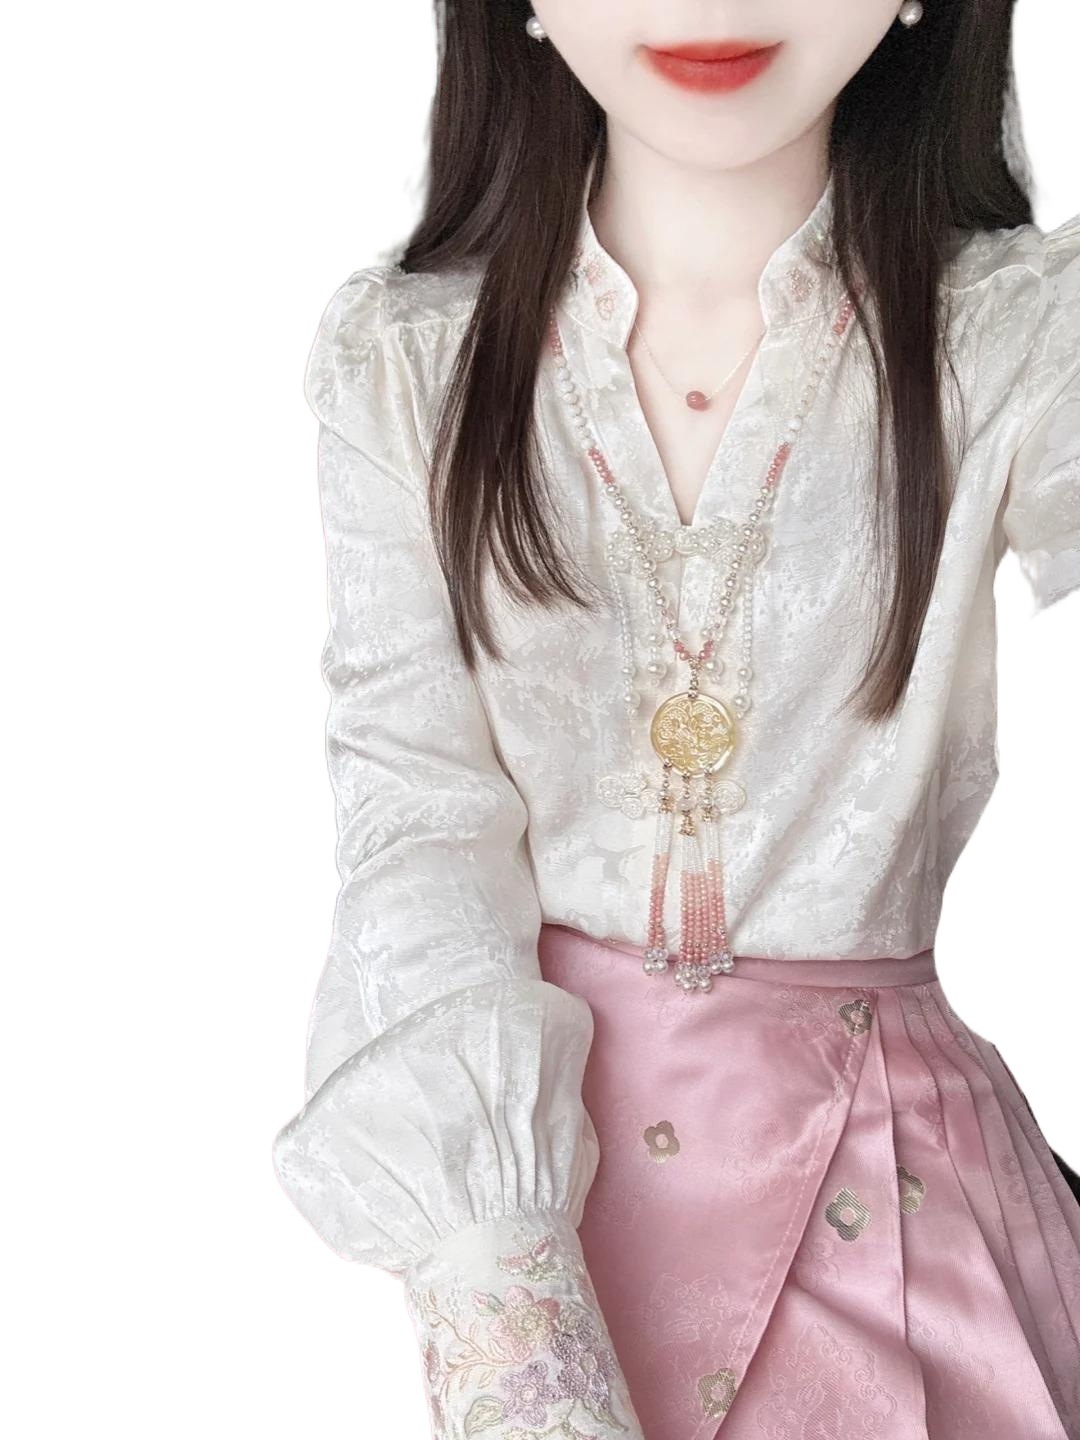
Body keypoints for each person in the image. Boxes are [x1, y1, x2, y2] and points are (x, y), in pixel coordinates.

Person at [272, 3, 1080, 1436]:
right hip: (528, 1222)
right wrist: (515, 1337)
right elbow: (417, 824)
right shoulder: (410, 365)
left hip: (905, 1216)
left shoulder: (1019, 338)